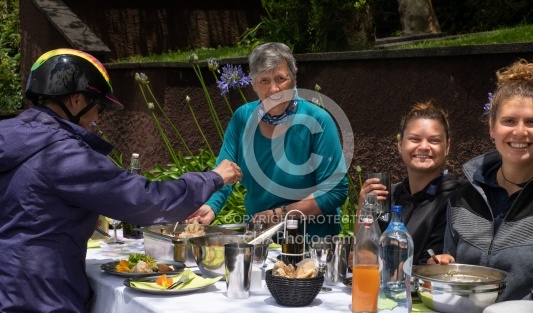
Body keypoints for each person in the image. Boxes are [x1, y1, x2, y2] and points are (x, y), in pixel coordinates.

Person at [0, 48, 242, 312]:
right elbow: (147, 201)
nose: (97, 119)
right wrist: (213, 178)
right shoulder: (61, 154)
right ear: (76, 101)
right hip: (41, 297)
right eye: (99, 107)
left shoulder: (11, 138)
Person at [432, 59, 533, 313]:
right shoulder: (462, 199)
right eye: (509, 121)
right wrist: (442, 269)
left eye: (531, 122)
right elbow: (453, 272)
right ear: (492, 128)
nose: (519, 132)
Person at [187, 42, 348, 238]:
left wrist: (277, 215)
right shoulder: (242, 118)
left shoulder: (318, 121)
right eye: (264, 80)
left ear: (294, 77)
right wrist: (211, 207)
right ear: (253, 84)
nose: (274, 89)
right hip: (259, 240)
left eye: (281, 78)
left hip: (313, 243)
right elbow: (224, 173)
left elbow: (335, 191)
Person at [357, 100, 465, 264]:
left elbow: (441, 262)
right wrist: (363, 207)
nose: (423, 147)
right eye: (414, 139)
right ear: (400, 145)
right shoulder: (388, 195)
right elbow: (362, 256)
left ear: (447, 146)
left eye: (434, 140)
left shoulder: (459, 197)